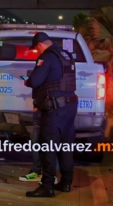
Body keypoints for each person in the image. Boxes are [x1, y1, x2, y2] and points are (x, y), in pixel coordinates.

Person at [24, 32, 78, 198]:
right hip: (70, 106)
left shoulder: (46, 57)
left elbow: (35, 81)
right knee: (66, 145)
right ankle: (66, 182)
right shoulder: (66, 54)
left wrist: (27, 80)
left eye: (36, 49)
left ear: (40, 44)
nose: (37, 52)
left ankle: (47, 186)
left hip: (55, 109)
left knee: (48, 146)